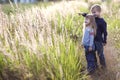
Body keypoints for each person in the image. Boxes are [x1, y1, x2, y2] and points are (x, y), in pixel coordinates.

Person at [90, 4, 108, 68]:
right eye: (92, 12)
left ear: (99, 12)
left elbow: (105, 32)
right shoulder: (92, 20)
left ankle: (103, 66)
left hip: (99, 41)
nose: (93, 14)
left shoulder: (102, 21)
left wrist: (104, 40)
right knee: (92, 54)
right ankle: (95, 66)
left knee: (100, 54)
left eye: (94, 12)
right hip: (92, 40)